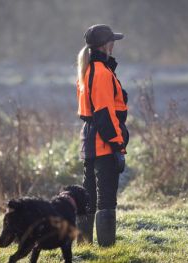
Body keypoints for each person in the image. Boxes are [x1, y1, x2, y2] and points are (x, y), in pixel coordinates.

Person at [76, 24, 129, 247]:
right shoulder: (101, 73)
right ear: (105, 45)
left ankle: (84, 246)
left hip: (88, 139)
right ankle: (107, 250)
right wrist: (118, 145)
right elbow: (106, 114)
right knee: (106, 198)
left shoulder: (86, 69)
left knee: (88, 196)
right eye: (112, 41)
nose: (114, 45)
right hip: (103, 141)